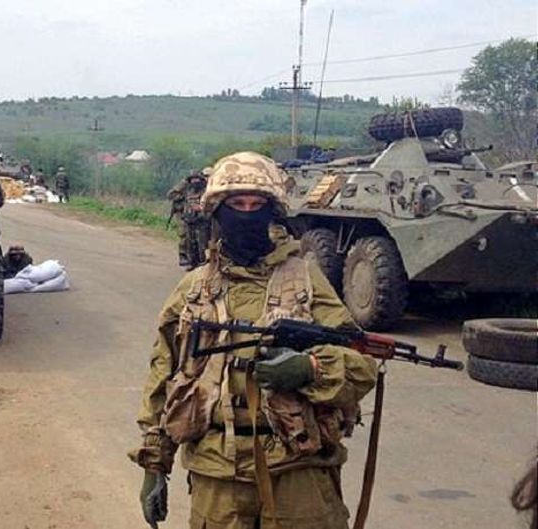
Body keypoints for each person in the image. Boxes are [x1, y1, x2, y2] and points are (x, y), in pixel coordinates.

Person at [130, 151, 378, 529]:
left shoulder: (306, 280)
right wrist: (154, 464)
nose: (247, 214)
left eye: (257, 205)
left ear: (272, 211)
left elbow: (361, 366)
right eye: (236, 205)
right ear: (217, 211)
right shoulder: (194, 290)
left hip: (298, 468)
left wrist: (310, 369)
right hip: (217, 473)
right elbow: (163, 375)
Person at [167, 168, 211, 268]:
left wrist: (201, 208)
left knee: (203, 243)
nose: (195, 181)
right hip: (188, 219)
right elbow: (171, 195)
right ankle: (191, 262)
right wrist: (183, 184)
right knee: (189, 243)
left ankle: (203, 263)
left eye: (197, 179)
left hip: (203, 221)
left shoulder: (207, 190)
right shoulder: (186, 190)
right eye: (192, 179)